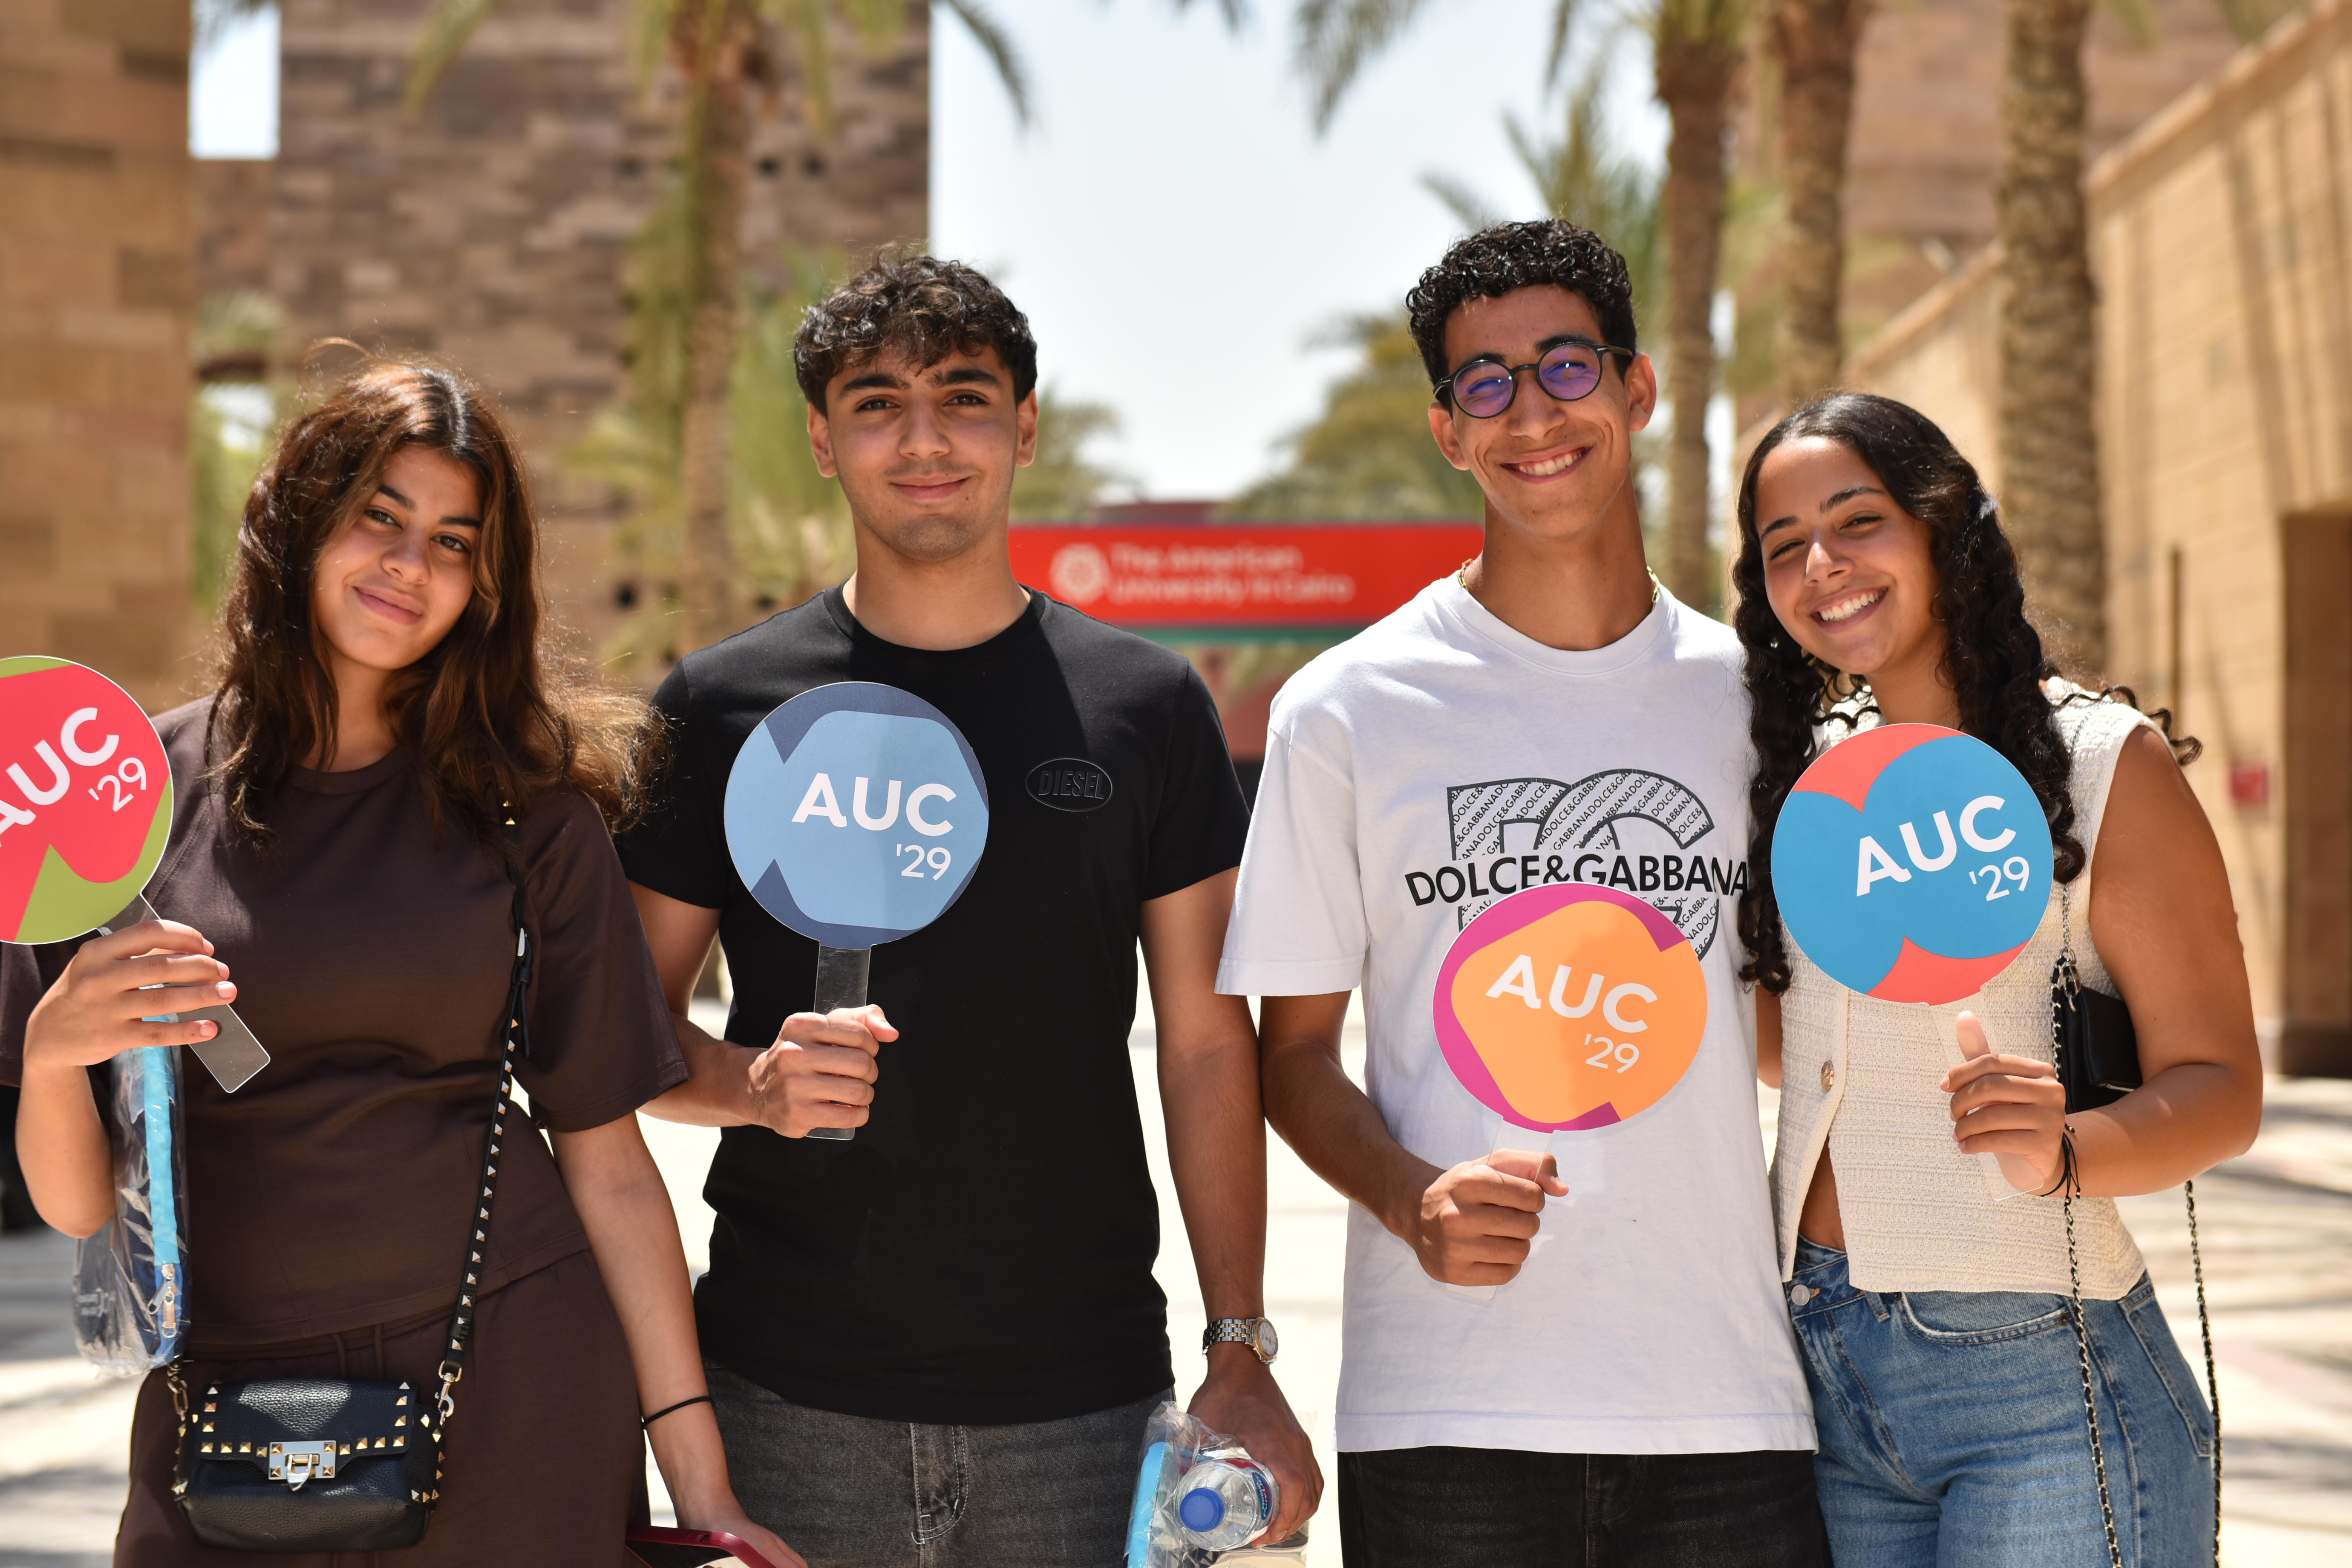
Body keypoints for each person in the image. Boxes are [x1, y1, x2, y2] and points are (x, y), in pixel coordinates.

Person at [1, 363, 794, 1565]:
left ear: (483, 586)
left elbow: (610, 1162)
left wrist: (702, 1482)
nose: (408, 565)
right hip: (222, 1394)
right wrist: (59, 1049)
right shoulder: (130, 802)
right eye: (380, 514)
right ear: (300, 515)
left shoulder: (530, 813)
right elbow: (79, 1205)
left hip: (509, 1374)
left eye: (452, 541)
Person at [619, 254, 1319, 1565]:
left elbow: (1211, 1041)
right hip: (785, 1392)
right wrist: (755, 1088)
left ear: (1027, 427)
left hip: (1083, 1400)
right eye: (878, 403)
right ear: (823, 441)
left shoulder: (1147, 708)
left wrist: (1239, 1344)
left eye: (966, 398)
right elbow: (623, 1039)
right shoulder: (719, 710)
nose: (925, 438)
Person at [1222, 218, 1825, 1567]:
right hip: (1446, 1419)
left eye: (1565, 366)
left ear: (1638, 389)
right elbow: (1296, 1058)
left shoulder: (1760, 706)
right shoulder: (1346, 711)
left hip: (1726, 1410)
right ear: (1448, 431)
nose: (1532, 414)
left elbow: (1800, 1028)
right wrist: (1408, 1197)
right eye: (1485, 384)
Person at [1735, 391, 2262, 1564]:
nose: (1822, 564)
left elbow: (2222, 1085)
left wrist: (2068, 1148)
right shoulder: (1806, 780)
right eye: (1784, 547)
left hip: (2041, 1383)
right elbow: (1809, 1041)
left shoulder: (2099, 763)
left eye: (1857, 521)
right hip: (1820, 1362)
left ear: (1944, 528)